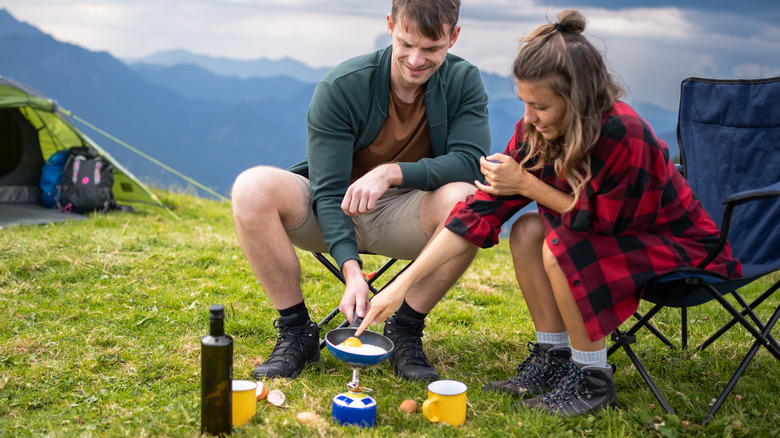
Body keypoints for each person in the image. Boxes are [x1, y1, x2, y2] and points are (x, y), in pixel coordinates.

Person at [356, 9, 743, 416]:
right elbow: (477, 212)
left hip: (678, 248)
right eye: (524, 103)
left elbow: (605, 222)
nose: (528, 119)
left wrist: (527, 185)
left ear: (576, 101)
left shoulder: (624, 134)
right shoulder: (535, 134)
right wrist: (402, 286)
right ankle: (553, 357)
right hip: (599, 241)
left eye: (539, 106)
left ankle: (592, 378)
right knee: (526, 230)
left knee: (559, 242)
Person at [231, 0, 490, 382]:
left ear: (453, 37)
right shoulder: (342, 86)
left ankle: (404, 332)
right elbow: (328, 189)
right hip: (332, 208)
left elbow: (471, 161)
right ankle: (297, 332)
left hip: (408, 214)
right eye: (407, 43)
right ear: (390, 25)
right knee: (251, 187)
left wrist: (392, 172)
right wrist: (352, 272)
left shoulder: (463, 80)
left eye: (432, 49)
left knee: (470, 203)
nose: (417, 59)